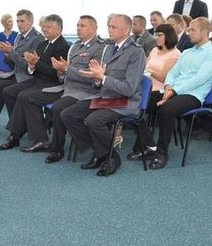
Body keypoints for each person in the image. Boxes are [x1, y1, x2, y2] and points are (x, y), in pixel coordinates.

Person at [10, 16, 105, 163]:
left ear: (94, 29)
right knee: (25, 96)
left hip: (85, 91)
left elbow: (91, 76)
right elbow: (61, 77)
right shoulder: (75, 47)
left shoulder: (100, 48)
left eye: (83, 26)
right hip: (67, 88)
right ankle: (28, 137)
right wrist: (61, 71)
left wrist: (65, 69)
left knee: (57, 107)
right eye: (78, 25)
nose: (78, 28)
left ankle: (57, 149)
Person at [61, 14, 146, 176]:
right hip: (106, 98)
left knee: (93, 120)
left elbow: (129, 89)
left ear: (126, 30)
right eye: (109, 26)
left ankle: (110, 158)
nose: (110, 29)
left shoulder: (136, 52)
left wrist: (103, 78)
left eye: (114, 27)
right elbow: (99, 82)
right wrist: (96, 79)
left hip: (124, 101)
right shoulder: (108, 48)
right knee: (68, 114)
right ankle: (102, 153)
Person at [148, 17, 212, 169]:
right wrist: (168, 86)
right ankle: (145, 146)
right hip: (174, 91)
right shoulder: (187, 52)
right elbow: (173, 73)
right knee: (142, 102)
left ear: (204, 32)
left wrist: (174, 91)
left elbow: (199, 79)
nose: (189, 33)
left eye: (193, 30)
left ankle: (161, 152)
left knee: (167, 108)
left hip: (194, 95)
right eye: (189, 30)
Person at [0, 14, 71, 151]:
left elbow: (55, 74)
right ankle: (21, 127)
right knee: (9, 91)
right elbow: (34, 69)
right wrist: (31, 66)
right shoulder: (43, 44)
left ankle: (28, 137)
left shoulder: (64, 47)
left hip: (53, 84)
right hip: (37, 80)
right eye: (44, 26)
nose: (44, 29)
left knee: (25, 96)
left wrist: (36, 63)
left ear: (59, 29)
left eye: (49, 27)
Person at [126, 24, 180, 161]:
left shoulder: (175, 54)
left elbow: (163, 77)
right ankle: (148, 144)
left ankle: (146, 146)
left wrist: (148, 69)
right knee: (128, 105)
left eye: (160, 35)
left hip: (161, 92)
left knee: (135, 108)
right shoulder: (155, 50)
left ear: (168, 36)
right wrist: (146, 68)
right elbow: (143, 67)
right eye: (156, 34)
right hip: (145, 88)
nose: (157, 37)